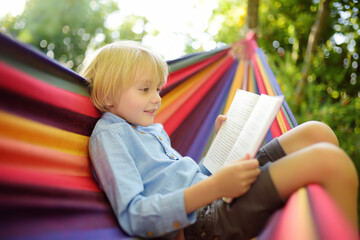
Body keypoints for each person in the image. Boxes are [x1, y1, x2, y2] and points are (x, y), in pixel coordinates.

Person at [78, 40, 358, 240]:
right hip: (201, 223)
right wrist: (215, 187)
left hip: (216, 193)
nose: (156, 98)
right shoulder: (110, 136)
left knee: (315, 132)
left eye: (158, 89)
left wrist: (218, 144)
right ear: (108, 94)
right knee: (328, 161)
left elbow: (190, 178)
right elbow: (136, 216)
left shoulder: (151, 129)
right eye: (144, 89)